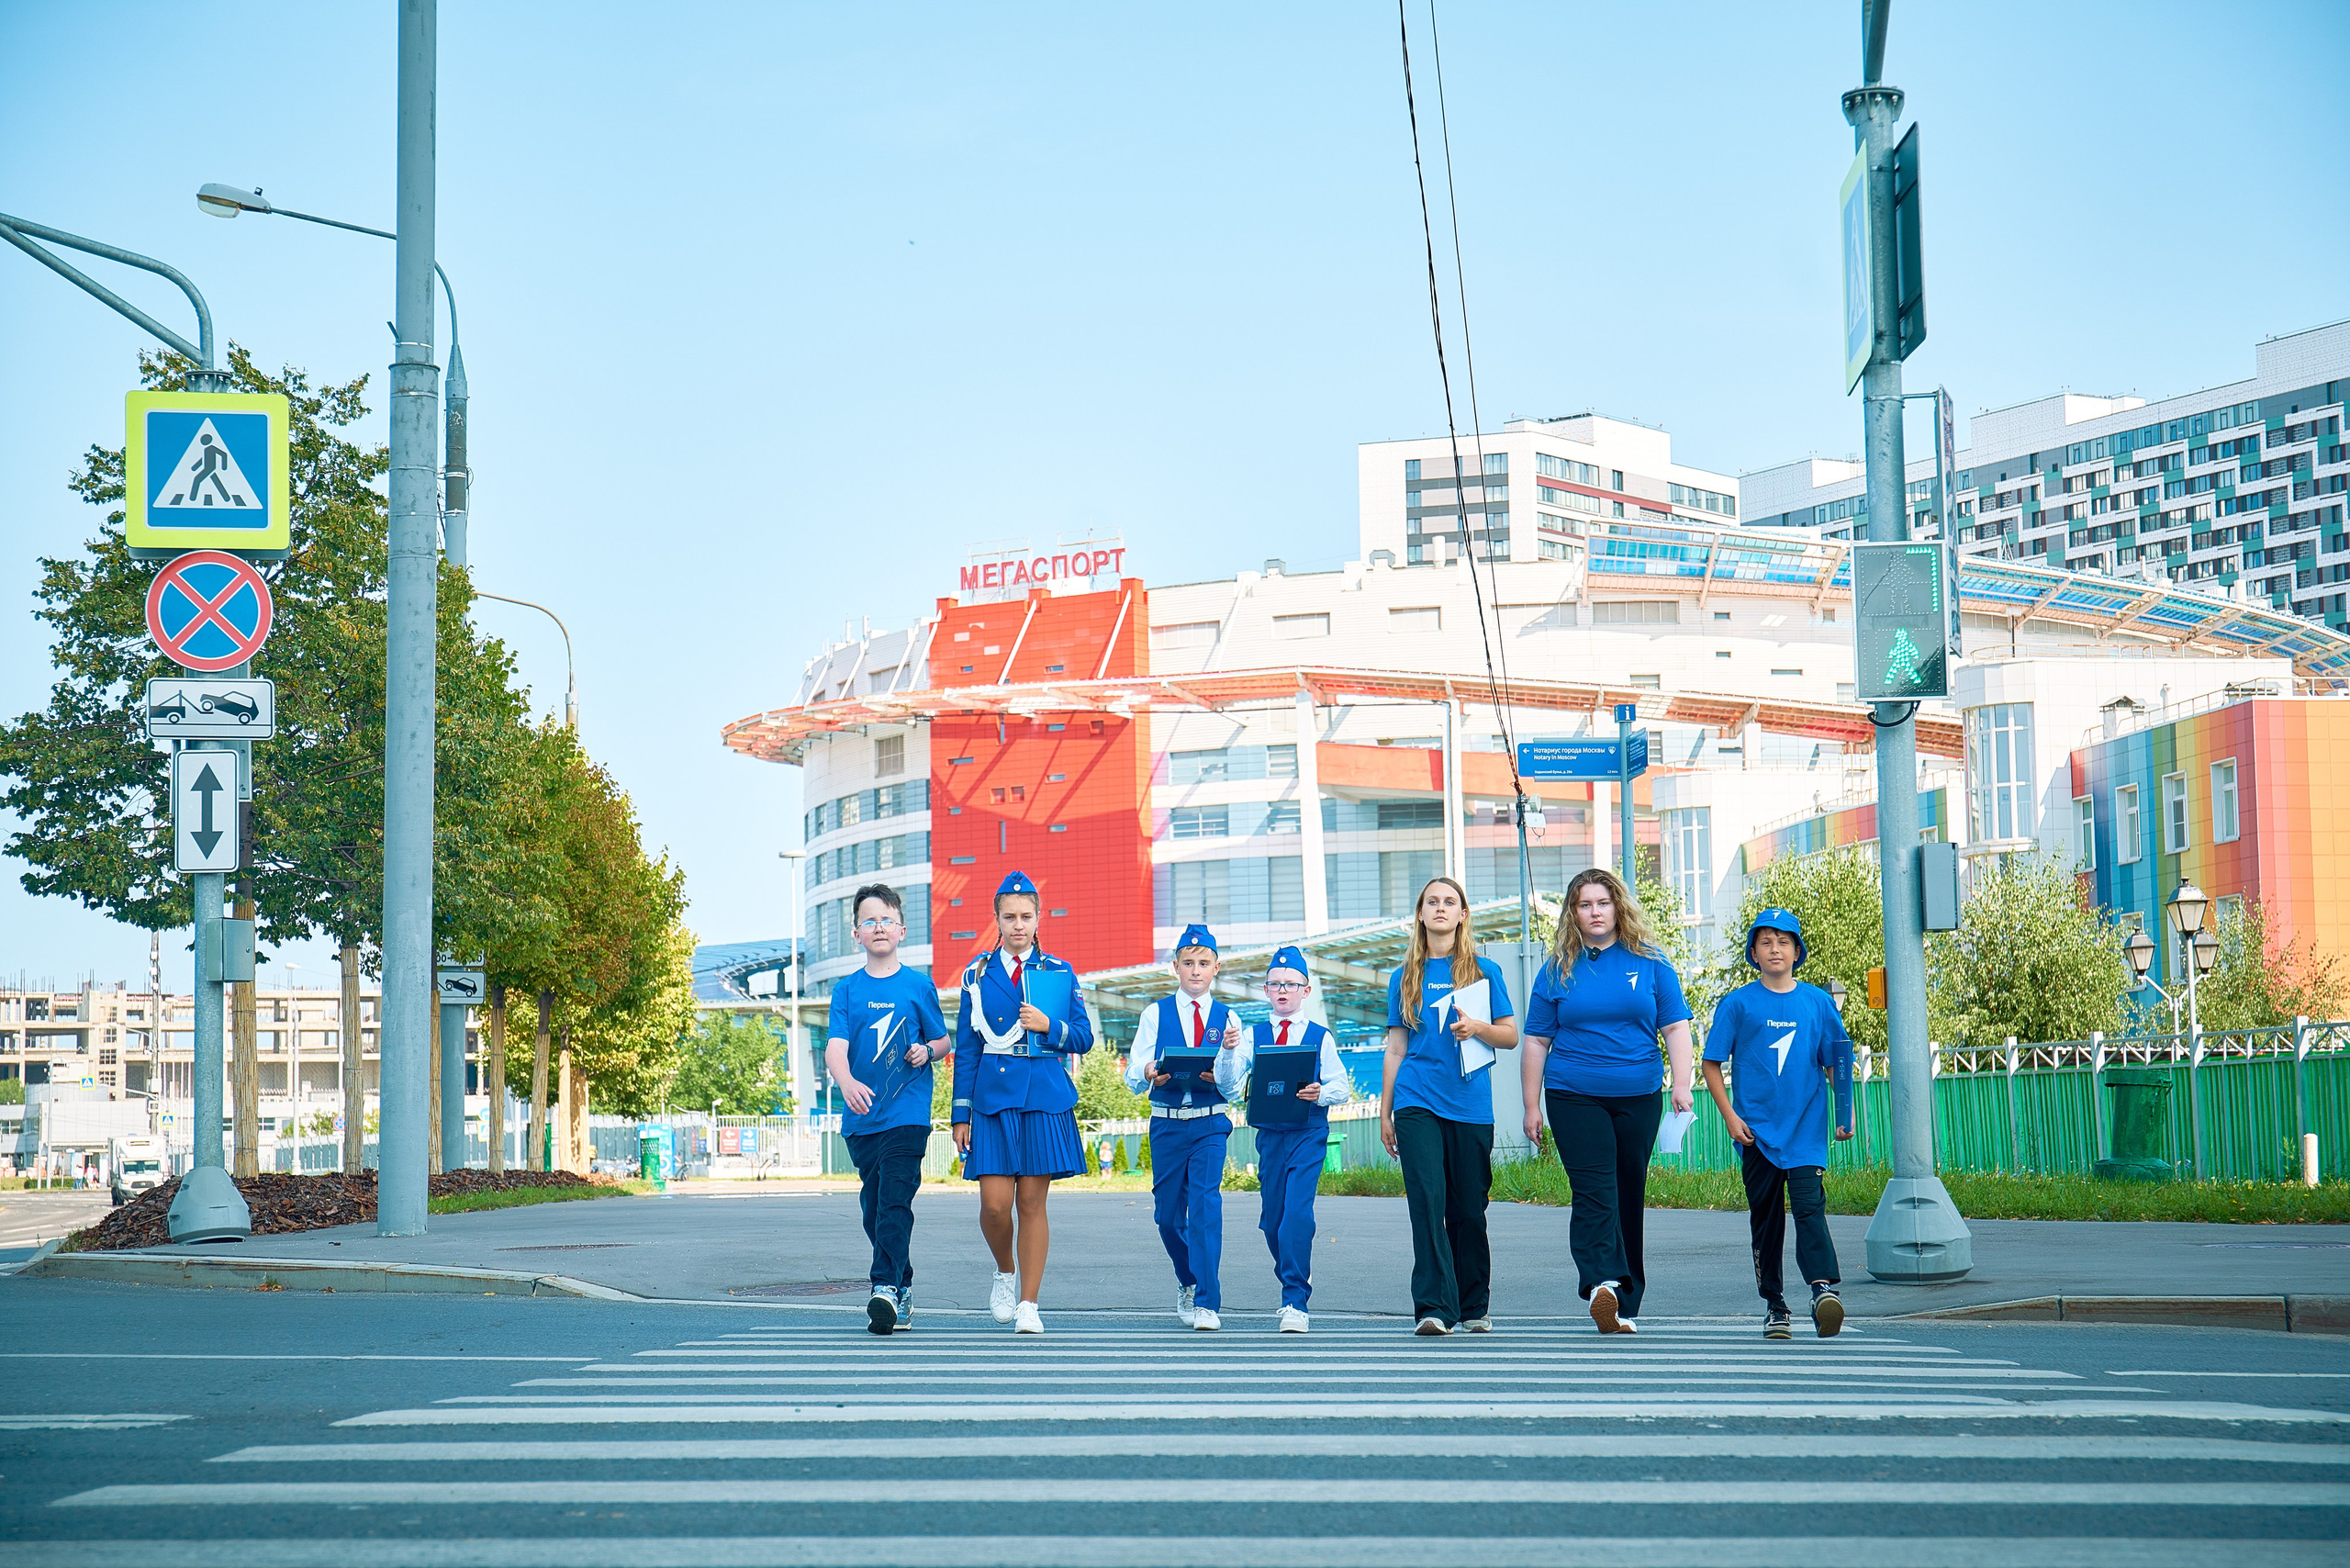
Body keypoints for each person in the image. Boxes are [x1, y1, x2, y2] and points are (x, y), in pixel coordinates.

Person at [1520, 868, 1695, 1335]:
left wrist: (1682, 1082)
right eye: (1584, 905)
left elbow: (1675, 1026)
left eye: (1602, 903)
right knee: (1595, 1190)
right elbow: (1535, 1041)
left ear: (1618, 907)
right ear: (1572, 914)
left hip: (1638, 1095)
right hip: (1572, 1093)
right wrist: (1531, 1105)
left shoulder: (1652, 961)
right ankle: (1602, 1283)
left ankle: (1627, 1299)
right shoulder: (1557, 968)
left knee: (1628, 1192)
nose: (1594, 912)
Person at [951, 871, 1093, 1334]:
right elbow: (967, 1047)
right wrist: (960, 1113)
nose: (1018, 925)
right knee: (994, 1205)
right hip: (992, 1099)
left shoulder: (1058, 971)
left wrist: (1049, 1025)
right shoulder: (977, 974)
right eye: (1009, 916)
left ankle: (1029, 1303)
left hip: (1043, 1097)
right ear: (995, 919)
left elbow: (1085, 1038)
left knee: (1032, 1203)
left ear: (1038, 918)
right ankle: (1004, 1272)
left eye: (1026, 916)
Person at [1702, 907, 1853, 1340]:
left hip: (1806, 1130)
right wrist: (1730, 1117)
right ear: (1754, 952)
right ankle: (1775, 1306)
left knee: (1809, 1208)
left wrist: (1846, 1114)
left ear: (1797, 951)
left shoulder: (1818, 1003)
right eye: (1766, 942)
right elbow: (1711, 1064)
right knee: (1766, 1220)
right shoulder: (1737, 1003)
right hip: (1756, 1134)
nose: (1775, 949)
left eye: (1784, 941)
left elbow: (1836, 1064)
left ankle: (1824, 1290)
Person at [1380, 876, 1518, 1336]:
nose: (1440, 908)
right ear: (1420, 914)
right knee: (1426, 1200)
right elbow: (1397, 1049)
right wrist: (1386, 1111)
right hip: (1417, 1099)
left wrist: (1477, 1028)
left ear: (1462, 915)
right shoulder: (1404, 978)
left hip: (1469, 1103)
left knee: (1467, 1209)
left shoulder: (1485, 971)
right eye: (1432, 902)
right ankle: (1434, 1307)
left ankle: (1473, 1304)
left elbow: (1511, 1035)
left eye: (1449, 902)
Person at [824, 882, 950, 1336]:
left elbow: (942, 1039)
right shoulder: (847, 990)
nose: (878, 927)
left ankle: (883, 1289)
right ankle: (904, 1282)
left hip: (908, 1114)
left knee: (895, 1200)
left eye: (886, 920)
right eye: (868, 920)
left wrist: (927, 1052)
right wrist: (848, 1082)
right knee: (874, 1209)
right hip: (862, 1120)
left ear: (901, 930)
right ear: (857, 933)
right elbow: (835, 1048)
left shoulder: (918, 986)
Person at [1124, 923, 1244, 1329]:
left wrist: (1223, 1065)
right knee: (1167, 1217)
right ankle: (1188, 1279)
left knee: (1206, 1210)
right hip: (1168, 1124)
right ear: (1174, 966)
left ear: (1216, 968)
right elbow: (1132, 1072)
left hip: (1210, 1124)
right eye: (1188, 963)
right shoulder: (1154, 1013)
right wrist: (1149, 1070)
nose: (1196, 970)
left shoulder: (1229, 1017)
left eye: (1204, 963)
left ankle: (1208, 1300)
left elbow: (1237, 1082)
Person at [1232, 944, 1353, 1333]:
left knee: (1296, 1217)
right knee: (1272, 1223)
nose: (1283, 990)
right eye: (1275, 984)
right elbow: (1233, 1084)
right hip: (1270, 1137)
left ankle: (1294, 1301)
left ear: (1306, 991)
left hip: (1309, 1132)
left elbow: (1342, 1085)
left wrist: (1322, 1092)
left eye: (1291, 984)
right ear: (1266, 991)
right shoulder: (1251, 1036)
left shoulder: (1321, 1036)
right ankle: (1295, 1271)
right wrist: (1227, 1056)